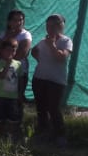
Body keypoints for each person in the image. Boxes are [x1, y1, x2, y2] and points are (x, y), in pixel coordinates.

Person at [29, 14, 73, 145]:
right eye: (48, 25)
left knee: (53, 108)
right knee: (41, 108)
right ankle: (43, 133)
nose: (51, 28)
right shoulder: (43, 40)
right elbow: (34, 51)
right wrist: (40, 59)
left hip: (56, 81)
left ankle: (60, 135)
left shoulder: (66, 41)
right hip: (39, 78)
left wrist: (52, 45)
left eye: (55, 25)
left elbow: (61, 57)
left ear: (62, 26)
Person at [0, 9, 32, 109]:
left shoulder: (26, 35)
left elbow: (22, 54)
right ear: (9, 22)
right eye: (15, 20)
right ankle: (0, 121)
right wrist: (7, 37)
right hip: (1, 71)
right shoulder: (3, 34)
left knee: (17, 99)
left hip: (18, 72)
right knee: (1, 98)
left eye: (21, 20)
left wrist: (4, 56)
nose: (18, 22)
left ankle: (16, 122)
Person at [0, 38, 23, 140]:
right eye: (8, 50)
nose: (10, 53)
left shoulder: (18, 64)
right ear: (2, 51)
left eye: (13, 50)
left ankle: (9, 138)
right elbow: (1, 76)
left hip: (13, 97)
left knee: (12, 119)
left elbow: (20, 79)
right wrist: (7, 64)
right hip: (0, 96)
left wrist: (20, 94)